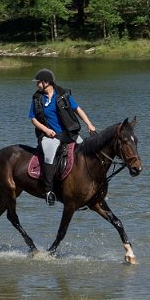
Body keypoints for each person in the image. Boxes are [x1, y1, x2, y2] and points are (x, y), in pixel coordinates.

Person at [28, 68, 97, 206]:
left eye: (39, 83)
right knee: (49, 154)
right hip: (49, 136)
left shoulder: (63, 95)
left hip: (68, 134)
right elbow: (33, 119)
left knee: (86, 151)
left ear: (46, 82)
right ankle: (48, 191)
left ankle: (89, 184)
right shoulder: (37, 98)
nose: (37, 85)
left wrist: (89, 124)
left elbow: (78, 110)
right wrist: (46, 130)